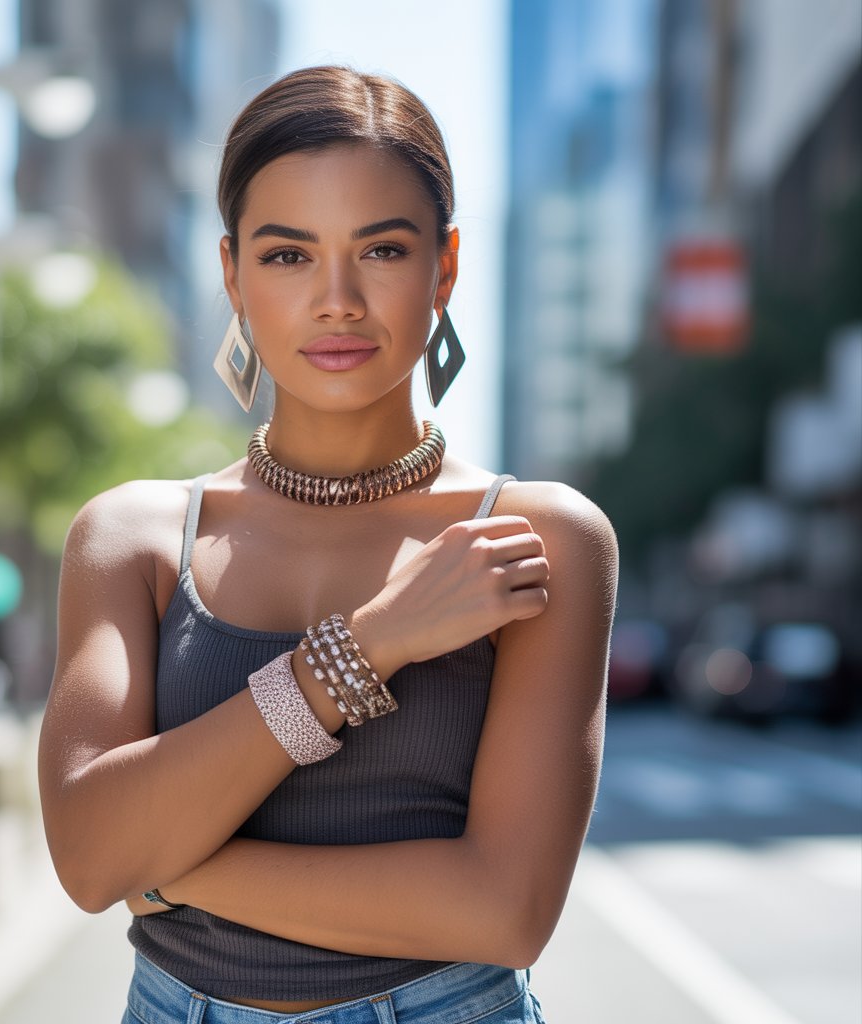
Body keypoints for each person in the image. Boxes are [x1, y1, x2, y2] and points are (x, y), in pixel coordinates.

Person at [39, 65, 618, 1024]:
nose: (338, 299)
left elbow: (505, 912)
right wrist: (371, 644)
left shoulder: (534, 538)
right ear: (231, 272)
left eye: (382, 249)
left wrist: (168, 864)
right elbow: (88, 858)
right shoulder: (133, 535)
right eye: (287, 255)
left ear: (445, 267)